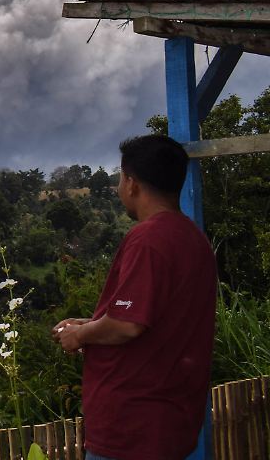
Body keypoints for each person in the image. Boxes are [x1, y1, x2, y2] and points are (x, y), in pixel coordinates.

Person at [52, 134, 216, 460]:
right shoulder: (193, 239)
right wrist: (93, 323)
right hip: (172, 421)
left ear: (131, 183)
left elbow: (128, 324)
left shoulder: (148, 238)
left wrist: (79, 334)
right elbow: (153, 315)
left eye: (119, 178)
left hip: (132, 429)